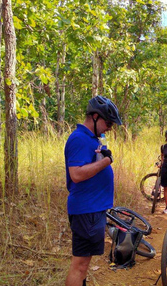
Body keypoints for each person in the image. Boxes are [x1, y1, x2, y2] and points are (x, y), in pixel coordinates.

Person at [64, 95, 123, 286]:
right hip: (86, 210)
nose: (109, 128)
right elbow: (77, 174)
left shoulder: (90, 138)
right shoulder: (79, 138)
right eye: (108, 123)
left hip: (92, 209)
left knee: (84, 264)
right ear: (96, 116)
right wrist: (107, 161)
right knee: (80, 265)